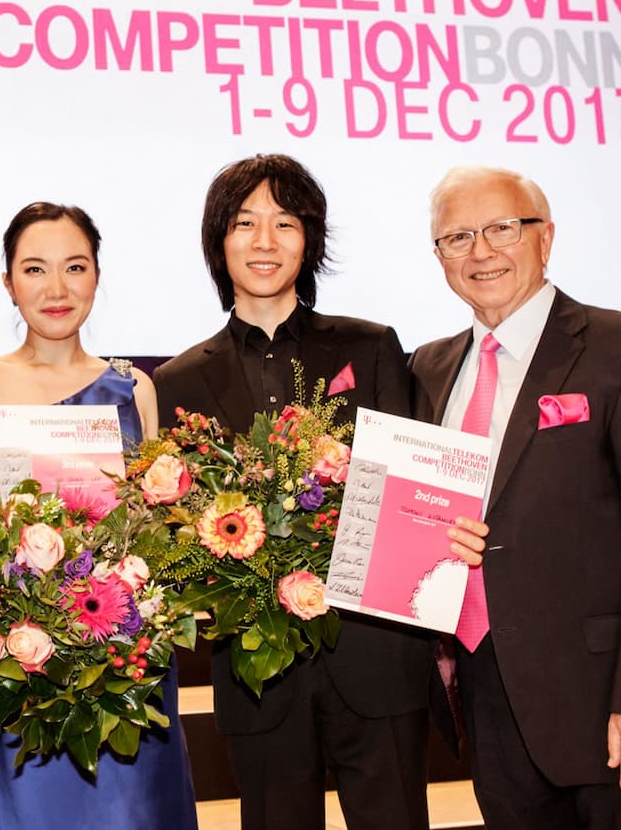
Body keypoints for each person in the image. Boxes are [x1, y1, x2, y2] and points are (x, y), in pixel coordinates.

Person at [154, 154, 484, 830]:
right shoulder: (180, 381)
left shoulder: (372, 348)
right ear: (220, 241)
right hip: (258, 669)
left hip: (378, 658)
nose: (265, 241)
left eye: (285, 222)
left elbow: (415, 495)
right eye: (245, 223)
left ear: (311, 240)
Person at [410, 165, 621, 828]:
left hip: (615, 706)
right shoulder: (425, 369)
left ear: (545, 237)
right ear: (438, 257)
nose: (480, 252)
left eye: (501, 229)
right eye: (457, 237)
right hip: (489, 699)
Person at [0, 202, 199, 829]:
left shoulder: (134, 388)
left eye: (74, 267)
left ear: (96, 276)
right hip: (18, 662)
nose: (56, 289)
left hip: (123, 668)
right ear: (8, 283)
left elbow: (150, 529)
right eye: (34, 269)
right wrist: (16, 621)